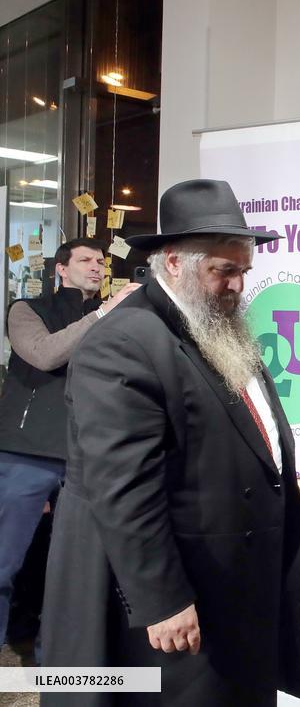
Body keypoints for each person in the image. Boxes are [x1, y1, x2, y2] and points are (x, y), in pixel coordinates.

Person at [40, 180, 300, 706]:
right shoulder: (123, 342)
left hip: (228, 584)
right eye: (223, 271)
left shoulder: (214, 326)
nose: (236, 285)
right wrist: (161, 600)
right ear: (172, 263)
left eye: (243, 271)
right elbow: (122, 487)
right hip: (170, 599)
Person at [0, 238, 139, 653]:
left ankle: (57, 664)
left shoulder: (115, 316)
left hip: (88, 457)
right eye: (85, 260)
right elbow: (44, 354)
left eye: (100, 260)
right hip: (27, 453)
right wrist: (105, 313)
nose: (96, 266)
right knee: (4, 562)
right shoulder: (26, 309)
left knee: (75, 572)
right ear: (60, 269)